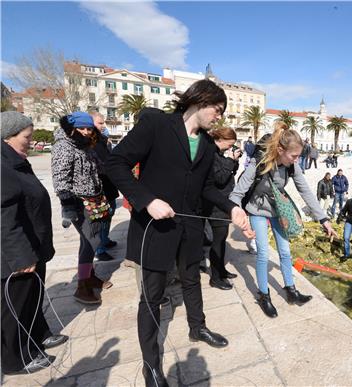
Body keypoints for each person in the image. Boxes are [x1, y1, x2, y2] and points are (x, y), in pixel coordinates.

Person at [106, 79, 254, 387]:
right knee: (152, 297)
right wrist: (146, 200)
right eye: (218, 109)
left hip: (188, 229)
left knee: (192, 281)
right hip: (154, 229)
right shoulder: (157, 125)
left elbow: (207, 188)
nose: (219, 117)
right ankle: (152, 366)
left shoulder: (207, 144)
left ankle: (197, 327)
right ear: (200, 101)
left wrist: (232, 208)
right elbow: (115, 163)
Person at [230, 122, 337, 318]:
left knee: (285, 252)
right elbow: (238, 192)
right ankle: (264, 296)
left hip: (278, 210)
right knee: (263, 253)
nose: (297, 160)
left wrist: (323, 219)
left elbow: (305, 190)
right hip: (257, 210)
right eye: (294, 156)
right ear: (280, 150)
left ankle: (290, 290)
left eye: (298, 156)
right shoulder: (259, 162)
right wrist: (236, 211)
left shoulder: (291, 165)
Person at [1, 112, 69, 375]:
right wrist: (20, 256)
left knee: (32, 298)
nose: (31, 141)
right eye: (27, 137)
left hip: (33, 245)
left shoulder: (15, 160)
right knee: (14, 308)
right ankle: (14, 360)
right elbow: (4, 218)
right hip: (17, 254)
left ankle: (38, 335)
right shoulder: (2, 166)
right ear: (8, 137)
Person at [52, 112, 114, 304]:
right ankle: (82, 286)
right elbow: (60, 178)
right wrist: (67, 205)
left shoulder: (85, 145)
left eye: (89, 128)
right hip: (79, 202)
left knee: (87, 241)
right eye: (82, 128)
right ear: (72, 128)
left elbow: (100, 167)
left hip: (94, 198)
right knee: (91, 242)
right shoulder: (64, 146)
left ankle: (89, 276)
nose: (86, 132)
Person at [203, 126, 242, 291]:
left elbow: (229, 173)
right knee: (218, 241)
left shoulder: (218, 154)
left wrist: (234, 160)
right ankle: (215, 277)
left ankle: (221, 270)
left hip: (221, 202)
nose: (230, 147)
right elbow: (219, 178)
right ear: (221, 139)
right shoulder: (211, 154)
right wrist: (230, 160)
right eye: (230, 144)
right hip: (215, 205)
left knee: (222, 239)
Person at [90, 111, 119, 261]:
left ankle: (105, 240)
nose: (103, 125)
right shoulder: (88, 142)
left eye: (103, 123)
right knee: (102, 217)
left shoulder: (103, 140)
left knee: (110, 213)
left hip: (109, 184)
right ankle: (99, 248)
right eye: (100, 123)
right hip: (99, 186)